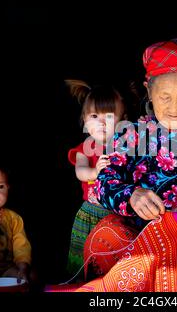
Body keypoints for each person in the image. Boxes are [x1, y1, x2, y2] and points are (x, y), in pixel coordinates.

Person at [47, 38, 177, 293]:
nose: (174, 108)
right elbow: (104, 182)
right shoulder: (130, 136)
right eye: (165, 97)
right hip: (138, 256)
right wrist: (132, 196)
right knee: (104, 235)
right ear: (148, 90)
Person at [65, 80, 127, 277]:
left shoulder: (127, 147)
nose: (101, 122)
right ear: (84, 119)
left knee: (113, 267)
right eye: (94, 116)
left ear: (122, 121)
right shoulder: (85, 149)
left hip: (118, 217)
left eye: (108, 116)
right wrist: (95, 172)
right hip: (91, 214)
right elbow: (81, 172)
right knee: (84, 264)